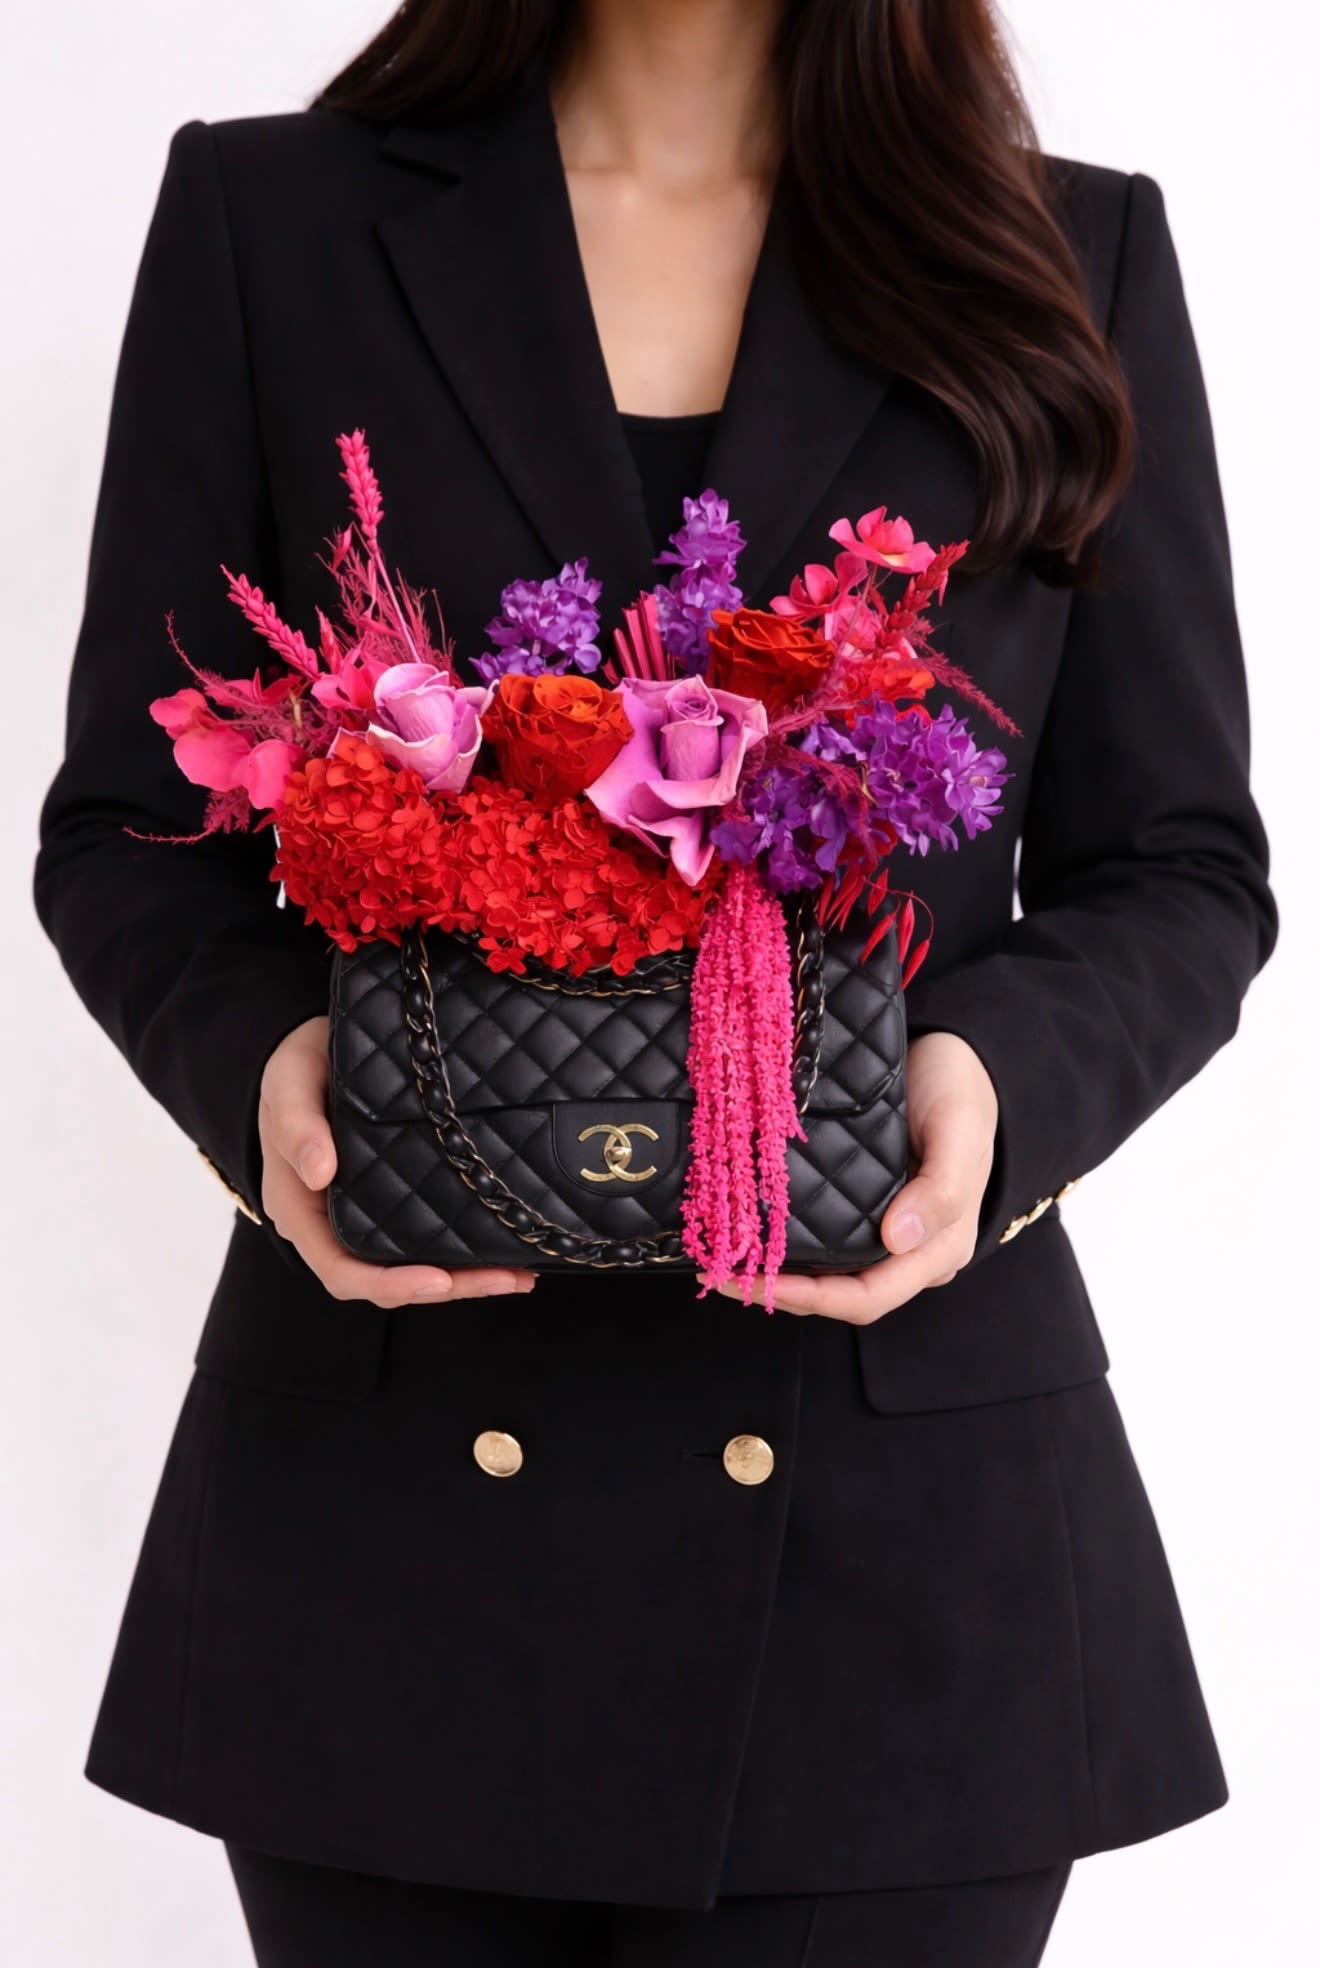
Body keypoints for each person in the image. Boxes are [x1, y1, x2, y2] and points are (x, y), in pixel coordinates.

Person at [34, 2, 1276, 1962]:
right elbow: (125, 819)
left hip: (892, 1560)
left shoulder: (1067, 252)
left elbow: (1180, 866)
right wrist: (272, 1071)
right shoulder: (271, 219)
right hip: (398, 1529)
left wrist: (986, 1096)